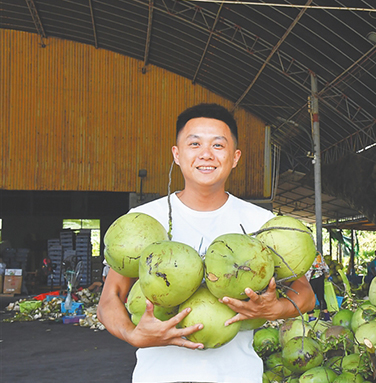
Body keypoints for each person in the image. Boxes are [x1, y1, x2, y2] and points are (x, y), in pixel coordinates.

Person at [97, 103, 315, 383]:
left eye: (218, 146)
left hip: (238, 376)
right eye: (195, 143)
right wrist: (132, 334)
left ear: (235, 157)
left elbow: (305, 294)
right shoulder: (145, 221)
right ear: (177, 154)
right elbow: (109, 299)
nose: (206, 154)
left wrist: (275, 309)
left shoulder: (263, 224)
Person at [305, 251, 330, 321]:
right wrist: (327, 274)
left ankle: (311, 316)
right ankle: (326, 315)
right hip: (320, 277)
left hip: (311, 278)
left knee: (310, 298)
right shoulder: (317, 253)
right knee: (320, 296)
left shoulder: (305, 253)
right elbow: (324, 265)